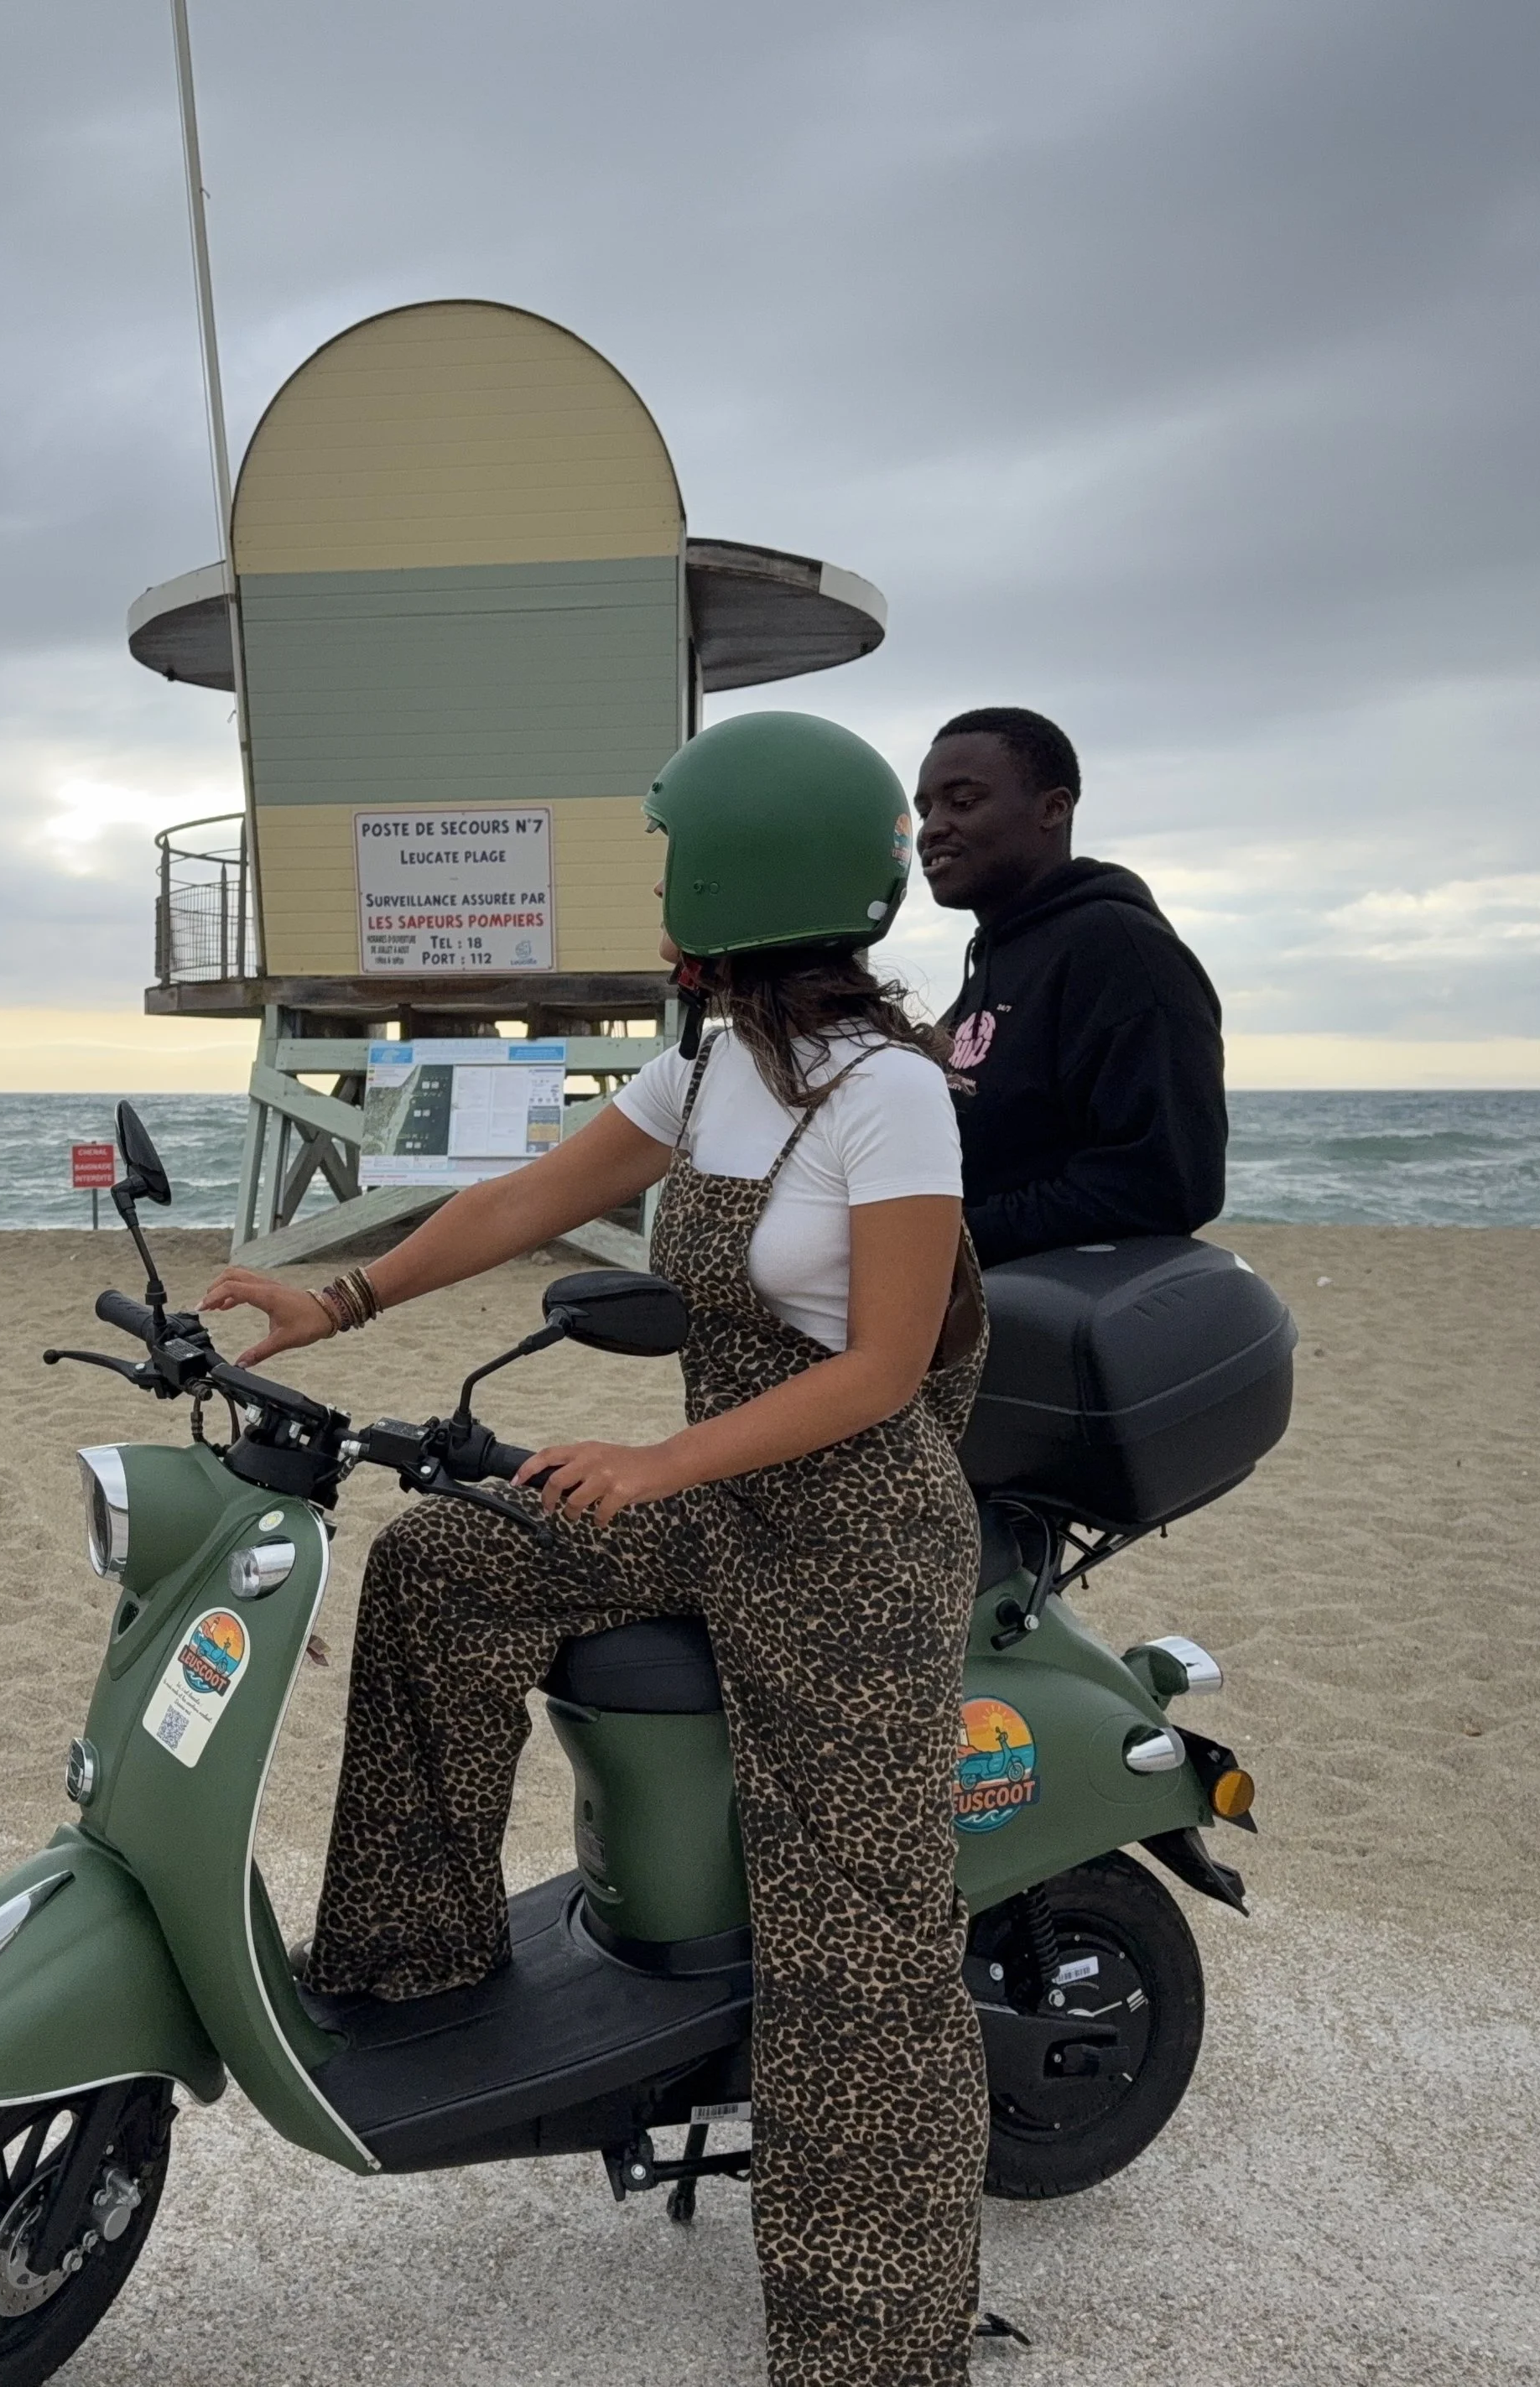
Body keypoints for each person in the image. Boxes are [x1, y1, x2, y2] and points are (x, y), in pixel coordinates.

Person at [201, 711, 990, 2387]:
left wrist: (654, 1461)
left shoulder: (889, 1097)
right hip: (712, 1496)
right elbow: (519, 1195)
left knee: (857, 1951)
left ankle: (879, 2351)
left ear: (728, 877)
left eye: (665, 861)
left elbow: (884, 1369)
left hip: (857, 1545)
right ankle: (415, 1970)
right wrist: (327, 1296)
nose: (651, 897)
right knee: (444, 1564)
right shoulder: (710, 1058)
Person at [914, 705, 1228, 1265]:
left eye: (962, 802)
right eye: (925, 809)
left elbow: (1165, 1183)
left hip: (1039, 1319)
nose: (932, 827)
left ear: (1053, 809)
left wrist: (937, 1241)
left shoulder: (1121, 950)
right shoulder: (997, 954)